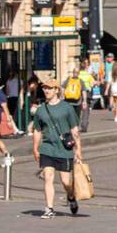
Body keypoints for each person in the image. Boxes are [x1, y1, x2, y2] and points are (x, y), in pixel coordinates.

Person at [30, 80, 83, 218]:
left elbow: (74, 130)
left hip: (64, 149)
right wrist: (35, 148)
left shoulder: (67, 108)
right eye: (45, 88)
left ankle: (71, 197)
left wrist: (78, 151)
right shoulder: (41, 110)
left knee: (66, 182)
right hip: (47, 148)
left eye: (49, 88)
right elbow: (37, 130)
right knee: (48, 177)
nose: (46, 91)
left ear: (57, 90)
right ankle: (49, 208)